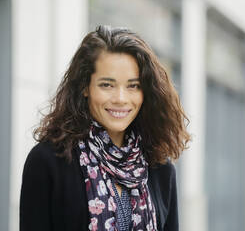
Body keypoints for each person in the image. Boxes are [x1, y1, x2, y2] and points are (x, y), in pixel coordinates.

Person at [19, 25, 190, 231]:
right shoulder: (48, 162)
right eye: (107, 85)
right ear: (85, 87)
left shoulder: (159, 167)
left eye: (133, 86)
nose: (120, 98)